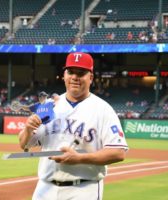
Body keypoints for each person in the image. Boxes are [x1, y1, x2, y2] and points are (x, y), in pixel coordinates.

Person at [18, 52, 128, 200]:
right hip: (45, 188)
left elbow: (118, 152)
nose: (75, 77)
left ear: (91, 77)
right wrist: (28, 129)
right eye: (70, 72)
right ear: (64, 75)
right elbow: (24, 144)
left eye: (81, 73)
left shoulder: (103, 109)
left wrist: (80, 158)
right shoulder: (48, 106)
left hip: (83, 189)